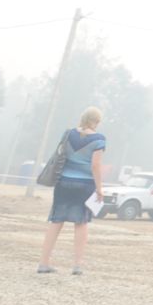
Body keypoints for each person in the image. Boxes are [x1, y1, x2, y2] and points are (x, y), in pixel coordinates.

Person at [39, 106, 107, 273]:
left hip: (64, 182)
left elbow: (61, 155)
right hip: (85, 185)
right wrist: (100, 188)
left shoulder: (68, 134)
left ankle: (43, 263)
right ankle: (77, 265)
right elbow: (96, 165)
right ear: (96, 121)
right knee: (81, 223)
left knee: (56, 222)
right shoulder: (99, 139)